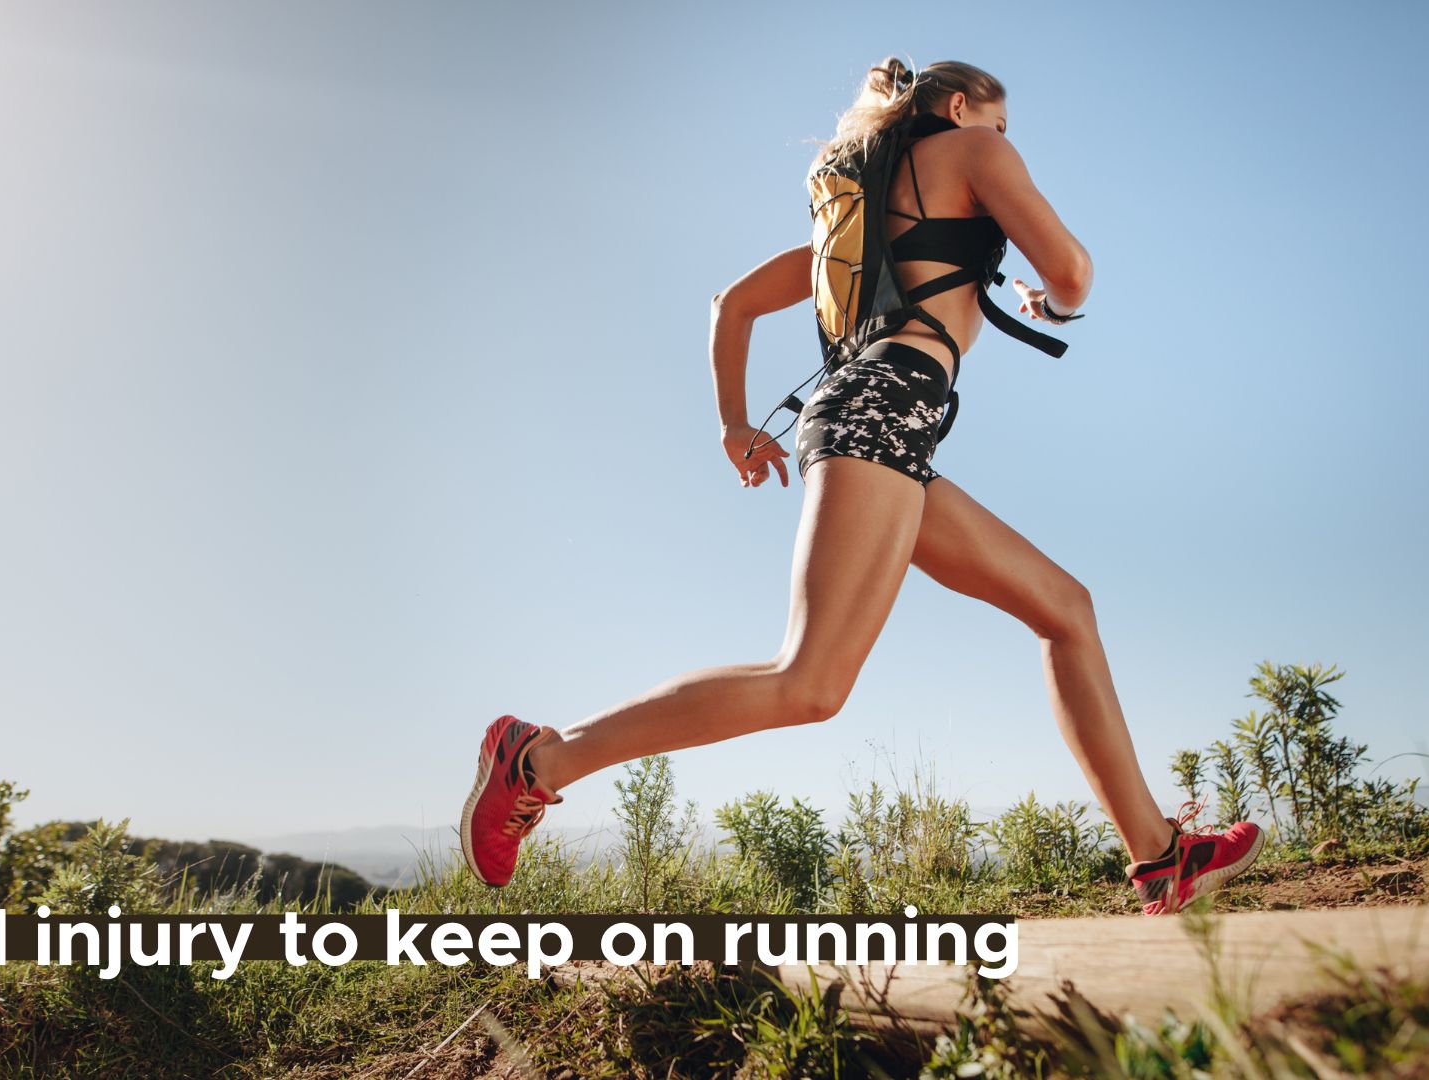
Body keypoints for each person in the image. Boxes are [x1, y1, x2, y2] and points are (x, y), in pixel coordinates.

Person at [459, 57, 1264, 916]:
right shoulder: (975, 152)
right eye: (1001, 122)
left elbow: (731, 303)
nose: (1006, 142)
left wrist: (733, 423)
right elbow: (1071, 272)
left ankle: (1158, 856)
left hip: (880, 423)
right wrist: (1051, 303)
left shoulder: (853, 219)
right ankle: (539, 759)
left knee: (1065, 608)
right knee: (810, 682)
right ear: (959, 108)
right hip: (881, 416)